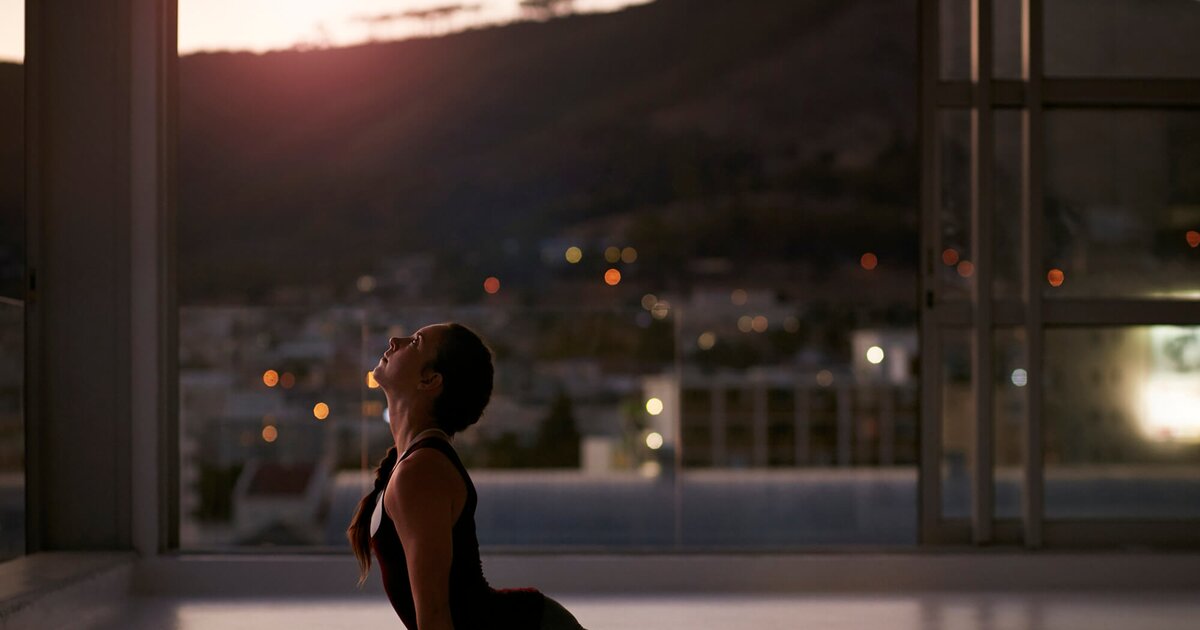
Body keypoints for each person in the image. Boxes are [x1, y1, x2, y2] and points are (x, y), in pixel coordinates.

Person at [347, 322, 586, 630]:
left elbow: (434, 616)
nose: (396, 340)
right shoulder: (414, 464)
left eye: (415, 342)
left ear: (430, 379)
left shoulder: (421, 471)